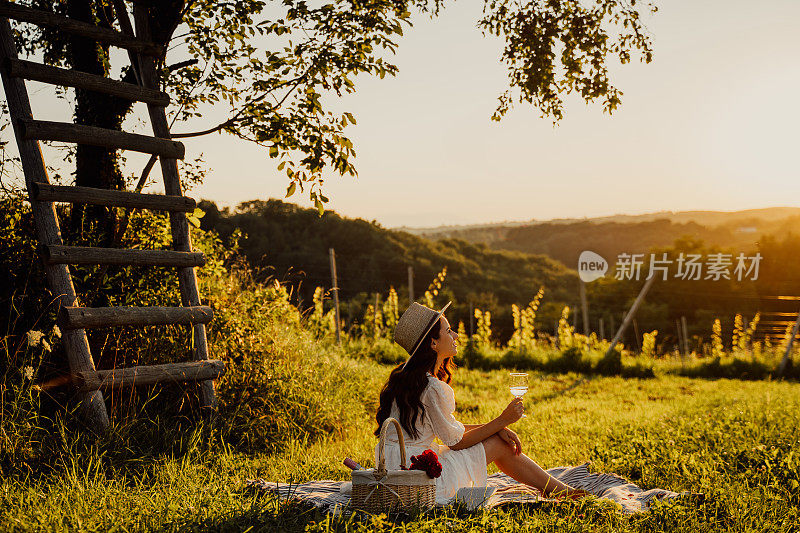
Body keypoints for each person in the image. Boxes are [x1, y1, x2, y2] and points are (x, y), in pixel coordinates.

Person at [374, 301, 592, 504]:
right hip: (421, 478)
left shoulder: (405, 379)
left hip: (395, 470)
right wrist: (502, 420)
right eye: (449, 331)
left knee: (497, 438)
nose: (456, 335)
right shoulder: (432, 387)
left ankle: (555, 489)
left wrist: (497, 427)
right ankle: (561, 491)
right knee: (500, 445)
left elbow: (448, 430)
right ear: (433, 343)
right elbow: (455, 442)